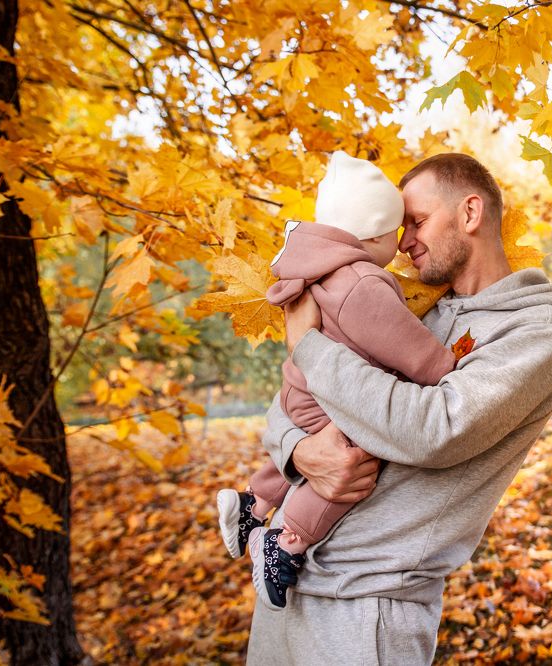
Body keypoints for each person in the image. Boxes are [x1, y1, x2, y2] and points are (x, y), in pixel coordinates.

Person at [246, 153, 552, 665]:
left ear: (470, 213)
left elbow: (433, 429)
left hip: (368, 608)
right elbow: (292, 400)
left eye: (417, 222)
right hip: (286, 579)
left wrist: (307, 345)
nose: (403, 241)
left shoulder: (536, 327)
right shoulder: (412, 307)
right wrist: (300, 451)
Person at [216, 151, 457, 609]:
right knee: (356, 456)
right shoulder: (363, 281)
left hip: (299, 391)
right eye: (397, 230)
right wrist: (446, 367)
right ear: (373, 233)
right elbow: (411, 351)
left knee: (314, 441)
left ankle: (254, 501)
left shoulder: (318, 268)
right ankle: (287, 540)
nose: (403, 243)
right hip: (324, 398)